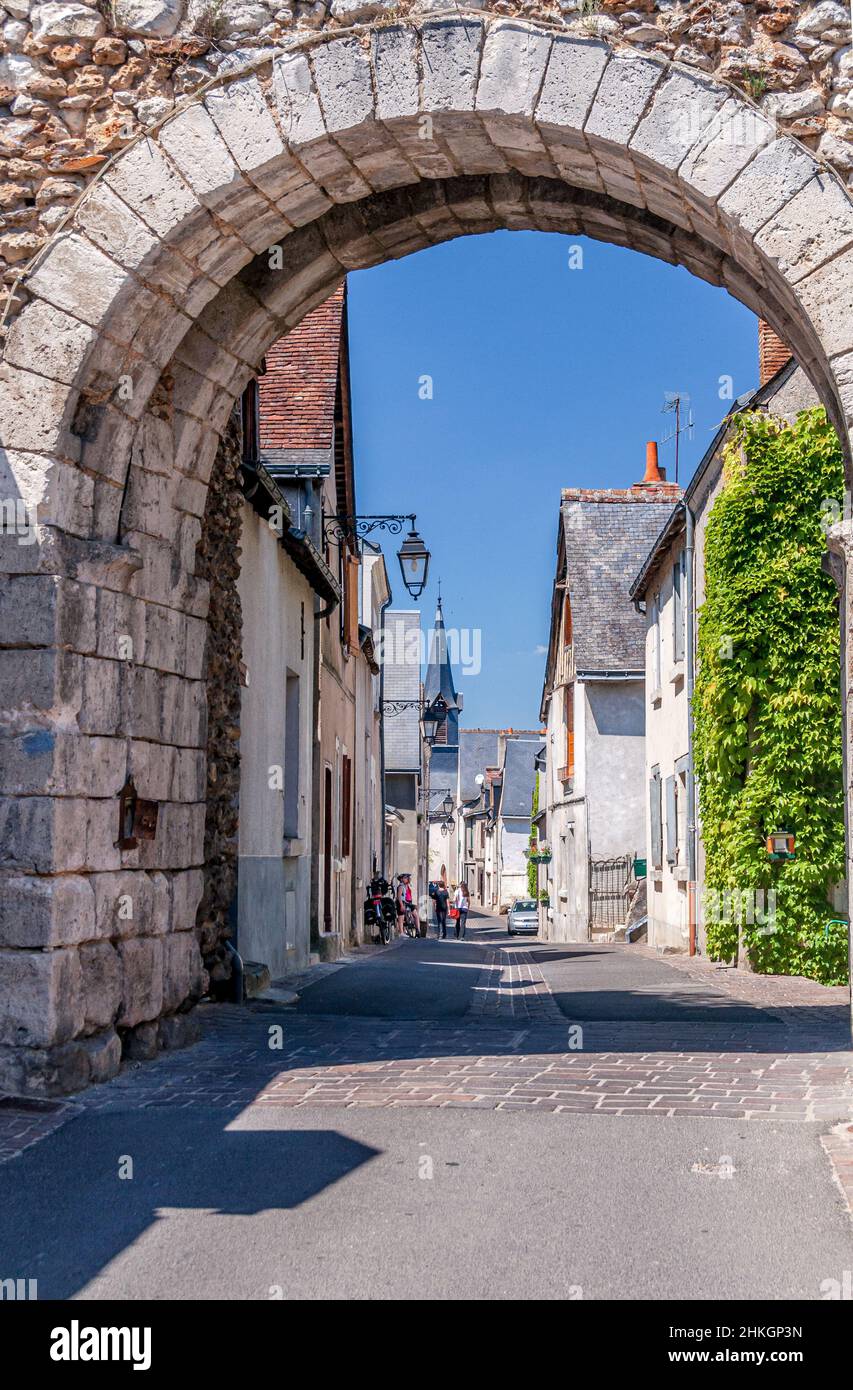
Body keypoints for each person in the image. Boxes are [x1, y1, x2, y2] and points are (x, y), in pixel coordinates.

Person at [395, 872, 420, 937]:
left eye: (407, 878)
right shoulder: (400, 886)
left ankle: (418, 930)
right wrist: (401, 905)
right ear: (401, 879)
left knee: (414, 914)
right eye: (406, 878)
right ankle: (401, 932)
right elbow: (399, 897)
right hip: (401, 902)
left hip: (405, 902)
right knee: (401, 917)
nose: (407, 879)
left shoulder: (404, 886)